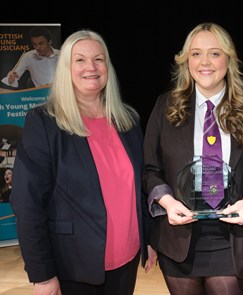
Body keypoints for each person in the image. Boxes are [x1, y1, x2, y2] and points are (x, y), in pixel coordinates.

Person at [142, 22, 243, 295]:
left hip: (232, 237)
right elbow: (150, 169)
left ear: (229, 59)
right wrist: (168, 203)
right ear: (186, 61)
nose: (205, 62)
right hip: (178, 235)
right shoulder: (165, 108)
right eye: (196, 54)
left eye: (215, 53)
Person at [10, 30, 151, 295]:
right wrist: (42, 275)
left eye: (99, 59)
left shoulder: (128, 121)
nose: (91, 67)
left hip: (126, 261)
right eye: (80, 60)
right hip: (72, 268)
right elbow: (27, 204)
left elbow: (139, 187)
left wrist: (148, 239)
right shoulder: (43, 123)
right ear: (65, 69)